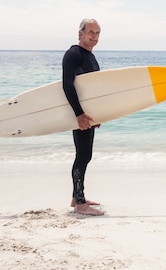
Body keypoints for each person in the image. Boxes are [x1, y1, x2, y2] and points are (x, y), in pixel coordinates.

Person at [62, 18, 104, 216]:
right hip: (79, 114)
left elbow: (91, 90)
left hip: (87, 115)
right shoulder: (73, 54)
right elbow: (67, 85)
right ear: (80, 34)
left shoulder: (91, 57)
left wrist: (97, 115)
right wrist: (79, 114)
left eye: (97, 33)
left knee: (86, 155)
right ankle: (79, 203)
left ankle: (76, 197)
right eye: (91, 32)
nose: (94, 37)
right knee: (83, 155)